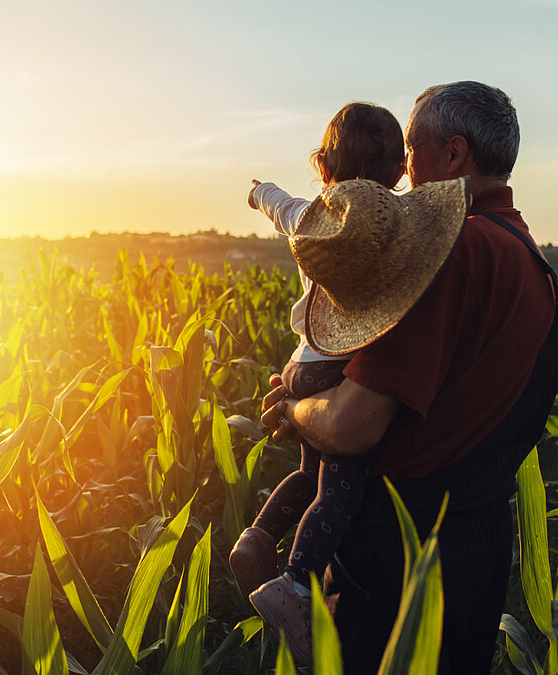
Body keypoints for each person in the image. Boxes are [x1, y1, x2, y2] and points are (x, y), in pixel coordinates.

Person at [260, 81, 558, 673]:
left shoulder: (450, 252)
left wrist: (294, 411)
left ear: (454, 156)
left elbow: (352, 426)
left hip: (399, 554)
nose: (402, 170)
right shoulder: (530, 261)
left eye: (412, 149)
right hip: (477, 545)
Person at [228, 102, 406, 663]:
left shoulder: (308, 217)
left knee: (308, 474)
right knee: (341, 487)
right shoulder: (390, 230)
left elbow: (279, 205)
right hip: (340, 365)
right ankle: (295, 582)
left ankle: (257, 537)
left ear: (324, 168)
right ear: (400, 175)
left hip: (302, 361)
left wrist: (261, 192)